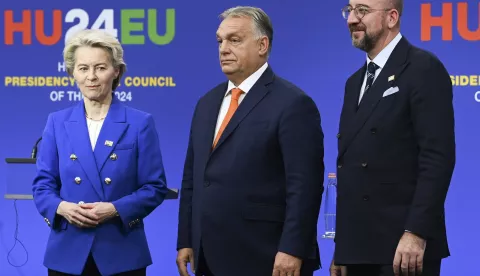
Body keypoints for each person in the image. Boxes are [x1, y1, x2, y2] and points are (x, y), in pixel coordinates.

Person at [175, 6, 325, 276]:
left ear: (262, 45)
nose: (223, 48)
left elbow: (305, 187)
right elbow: (192, 178)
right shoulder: (206, 103)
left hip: (266, 256)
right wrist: (186, 239)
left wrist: (293, 249)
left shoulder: (293, 104)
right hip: (207, 255)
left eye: (235, 40)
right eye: (220, 41)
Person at [330, 0, 455, 276]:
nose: (351, 19)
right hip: (357, 251)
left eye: (362, 10)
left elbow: (437, 158)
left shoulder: (423, 68)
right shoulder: (353, 83)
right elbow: (349, 169)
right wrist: (342, 248)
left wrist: (416, 232)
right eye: (348, 10)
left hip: (403, 251)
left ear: (392, 17)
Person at [32, 29, 169, 276]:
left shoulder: (139, 123)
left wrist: (115, 209)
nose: (91, 77)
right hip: (68, 252)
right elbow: (42, 186)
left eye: (100, 68)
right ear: (72, 73)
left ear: (116, 71)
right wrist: (62, 207)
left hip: (121, 252)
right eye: (83, 68)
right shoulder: (56, 122)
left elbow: (155, 187)